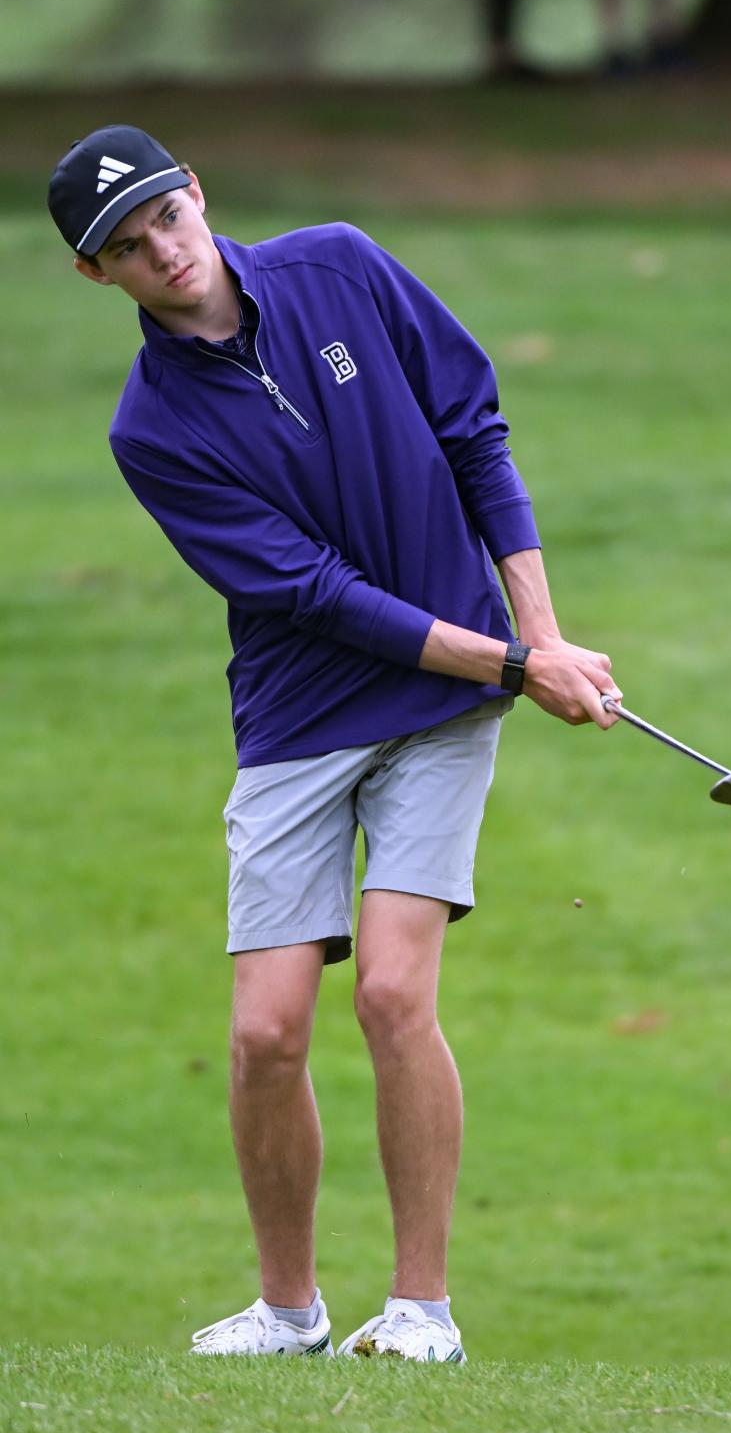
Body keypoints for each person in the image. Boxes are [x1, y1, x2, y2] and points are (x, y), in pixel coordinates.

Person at [47, 125, 622, 1361]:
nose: (165, 251)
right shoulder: (150, 430)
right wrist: (523, 665)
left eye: (167, 217)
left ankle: (422, 1310)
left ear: (197, 191)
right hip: (302, 718)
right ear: (99, 278)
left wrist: (543, 628)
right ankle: (290, 1307)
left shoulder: (342, 268)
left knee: (391, 992)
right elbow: (315, 594)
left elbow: (473, 427)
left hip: (443, 709)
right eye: (129, 249)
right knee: (263, 1032)